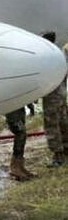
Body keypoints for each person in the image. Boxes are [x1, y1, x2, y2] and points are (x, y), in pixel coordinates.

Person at [40, 31, 68, 167]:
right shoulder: (59, 54)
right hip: (62, 93)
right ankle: (66, 150)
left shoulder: (44, 56)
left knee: (51, 125)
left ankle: (58, 156)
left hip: (51, 95)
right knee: (63, 122)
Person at [5, 108, 34, 180]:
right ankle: (15, 167)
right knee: (20, 132)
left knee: (22, 133)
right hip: (11, 106)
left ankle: (20, 166)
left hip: (19, 107)